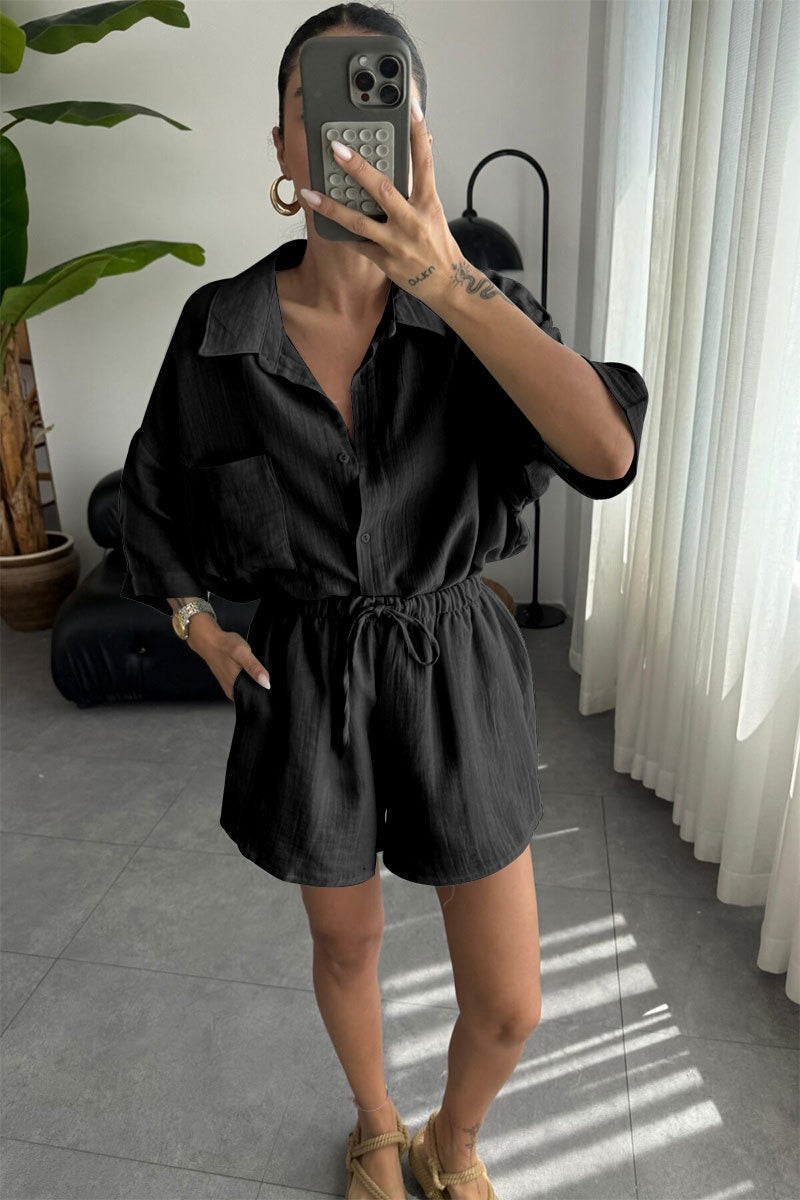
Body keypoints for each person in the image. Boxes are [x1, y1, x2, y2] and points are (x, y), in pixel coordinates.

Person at [118, 5, 649, 1197]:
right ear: (281, 142)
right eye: (313, 106)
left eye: (378, 101)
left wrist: (448, 281)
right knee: (345, 943)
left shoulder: (478, 307)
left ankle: (450, 1139)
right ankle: (374, 1125)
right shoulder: (220, 332)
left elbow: (605, 452)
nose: (342, 133)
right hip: (310, 672)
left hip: (454, 661)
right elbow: (151, 500)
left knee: (509, 1003)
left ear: (417, 133)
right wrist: (198, 628)